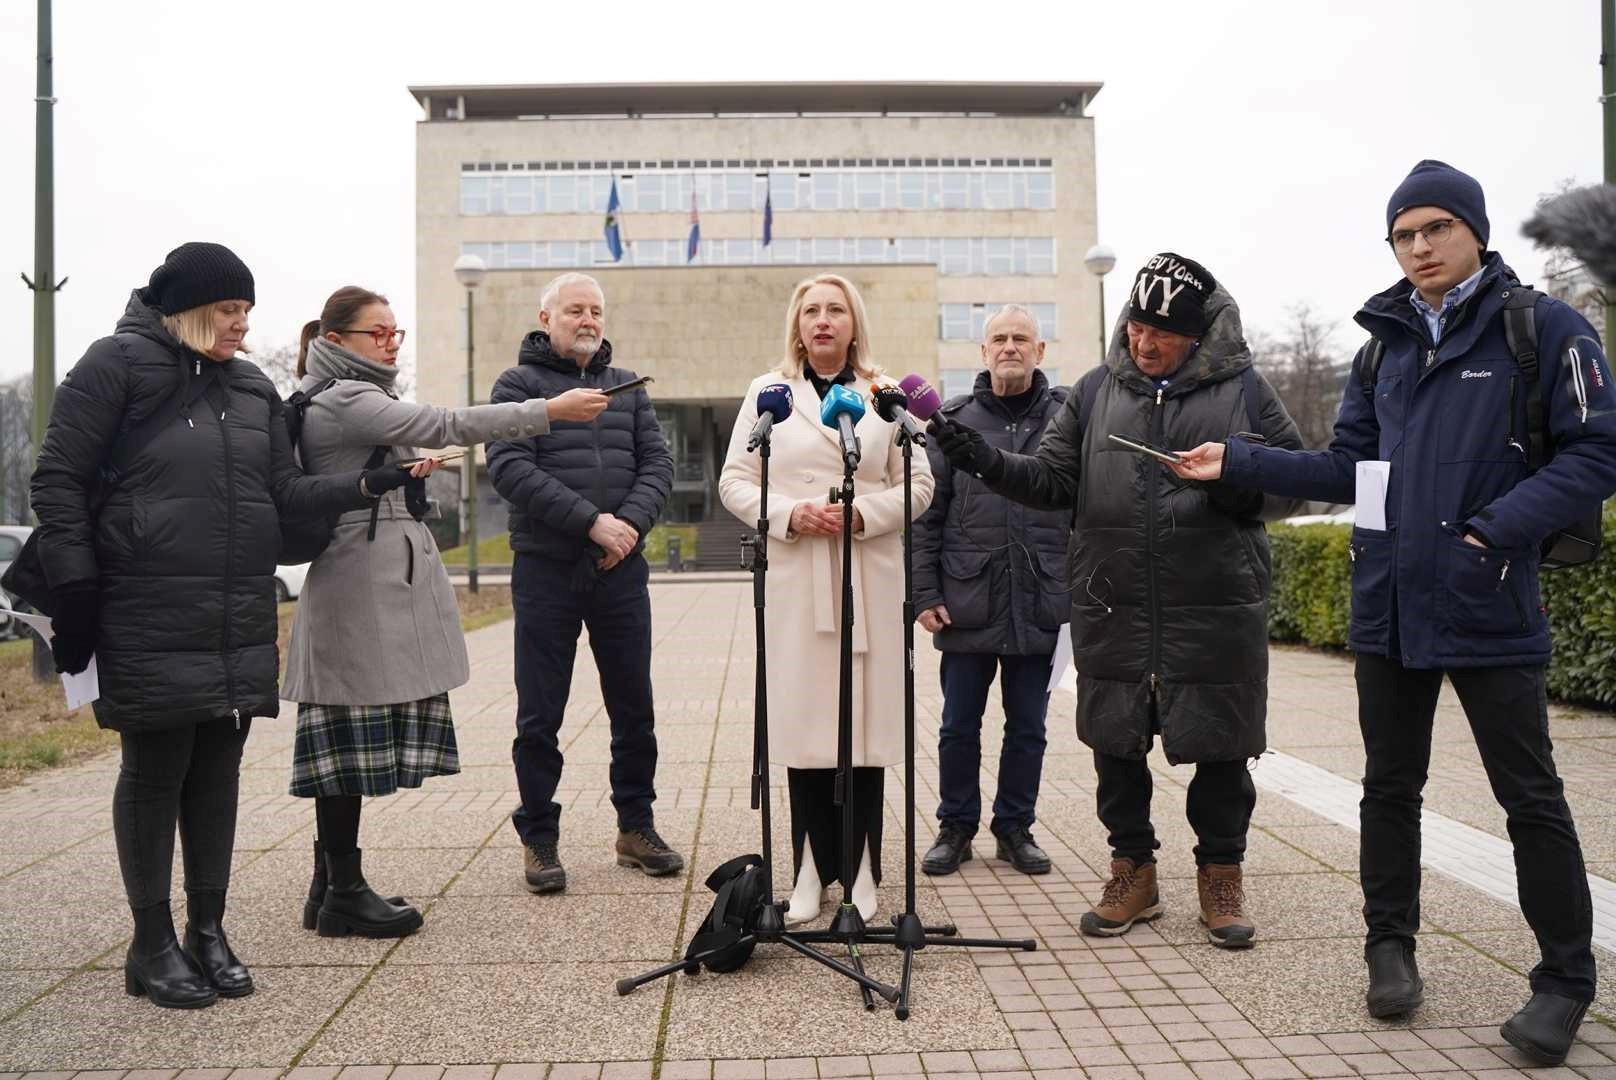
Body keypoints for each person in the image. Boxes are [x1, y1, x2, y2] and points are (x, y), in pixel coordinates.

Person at [1171, 161, 1616, 1062]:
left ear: (1475, 233)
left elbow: (1598, 451)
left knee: (1529, 798)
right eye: (1403, 236)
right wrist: (1243, 462)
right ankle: (1391, 949)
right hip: (1391, 607)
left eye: (1435, 230)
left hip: (1490, 600)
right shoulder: (1383, 345)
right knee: (1388, 790)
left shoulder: (1546, 328)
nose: (1419, 249)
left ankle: (1565, 979)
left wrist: (1494, 532)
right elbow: (1352, 468)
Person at [27, 243, 417, 1009]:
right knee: (155, 768)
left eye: (248, 312)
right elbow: (58, 480)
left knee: (217, 772)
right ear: (188, 310)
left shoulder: (250, 387)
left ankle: (209, 930)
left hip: (234, 611)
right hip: (144, 607)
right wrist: (74, 588)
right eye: (230, 311)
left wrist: (363, 484)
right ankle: (151, 943)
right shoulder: (115, 366)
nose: (243, 324)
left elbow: (280, 492)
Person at [932, 254, 1302, 949]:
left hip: (1215, 605)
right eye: (1134, 326)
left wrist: (1232, 474)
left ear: (1199, 334)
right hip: (1112, 602)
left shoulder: (1246, 390)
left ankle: (1221, 874)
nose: (1143, 343)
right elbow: (1048, 481)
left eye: (1160, 333)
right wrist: (979, 457)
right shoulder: (1097, 391)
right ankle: (1133, 870)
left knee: (1223, 750)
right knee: (1115, 746)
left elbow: (1292, 484)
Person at [282, 285, 610, 936]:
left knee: (344, 738)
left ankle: (330, 886)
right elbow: (448, 423)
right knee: (345, 738)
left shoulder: (344, 397)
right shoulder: (349, 397)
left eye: (395, 333)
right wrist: (551, 410)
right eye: (378, 333)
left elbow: (389, 455)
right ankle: (342, 889)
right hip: (360, 585)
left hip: (363, 577)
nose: (390, 344)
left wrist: (408, 470)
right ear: (335, 341)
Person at [718, 272, 935, 925]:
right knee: (806, 731)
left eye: (835, 309)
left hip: (865, 579)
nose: (822, 320)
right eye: (811, 309)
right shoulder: (768, 393)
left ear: (853, 321)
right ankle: (809, 871)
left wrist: (864, 514)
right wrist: (787, 513)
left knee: (863, 731)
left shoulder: (884, 394)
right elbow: (734, 479)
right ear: (797, 323)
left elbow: (918, 484)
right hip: (795, 581)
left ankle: (864, 871)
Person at [486, 272, 682, 895]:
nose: (588, 320)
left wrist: (626, 526)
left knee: (634, 705)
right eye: (575, 310)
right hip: (547, 569)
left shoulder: (627, 389)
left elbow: (658, 463)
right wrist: (590, 523)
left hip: (620, 570)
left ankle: (636, 826)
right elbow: (510, 468)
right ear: (546, 318)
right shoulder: (518, 387)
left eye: (595, 310)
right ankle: (539, 838)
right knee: (540, 712)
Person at [912, 305, 1068, 878]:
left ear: (1040, 350)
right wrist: (923, 592)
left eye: (1020, 338)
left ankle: (1014, 828)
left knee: (1028, 727)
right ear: (983, 352)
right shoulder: (951, 421)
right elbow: (926, 513)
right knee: (958, 726)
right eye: (998, 338)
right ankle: (955, 827)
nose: (1009, 347)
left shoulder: (1067, 418)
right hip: (966, 599)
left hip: (1042, 597)